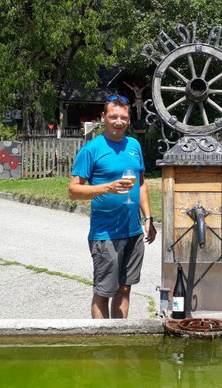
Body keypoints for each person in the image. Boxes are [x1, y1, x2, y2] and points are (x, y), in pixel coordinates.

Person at [69, 95, 157, 319]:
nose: (118, 121)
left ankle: (120, 338)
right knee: (103, 292)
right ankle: (103, 345)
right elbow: (74, 191)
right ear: (103, 118)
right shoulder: (92, 149)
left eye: (123, 117)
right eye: (113, 117)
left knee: (125, 288)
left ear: (129, 119)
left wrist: (148, 218)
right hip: (105, 233)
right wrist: (107, 187)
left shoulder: (134, 145)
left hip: (133, 231)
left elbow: (142, 183)